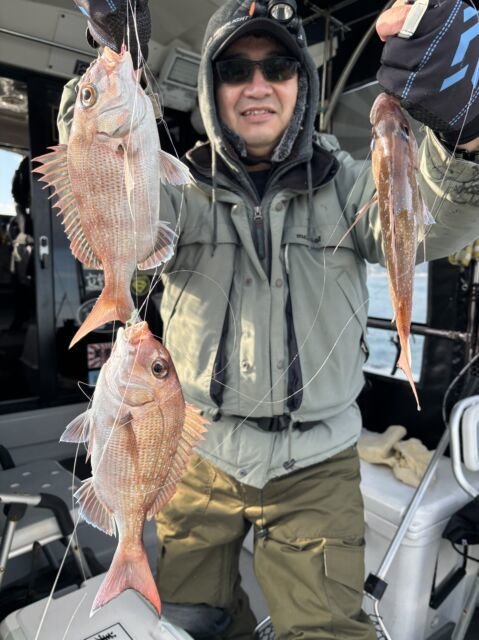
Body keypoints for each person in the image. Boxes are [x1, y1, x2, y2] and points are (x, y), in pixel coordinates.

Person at [57, 1, 479, 638]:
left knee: (326, 631)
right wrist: (109, 58)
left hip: (318, 464)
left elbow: (434, 223)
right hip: (195, 453)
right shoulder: (176, 184)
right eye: (235, 69)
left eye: (278, 66)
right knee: (189, 619)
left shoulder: (348, 184)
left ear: (301, 85)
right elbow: (102, 182)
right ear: (211, 88)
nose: (257, 85)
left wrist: (465, 135)